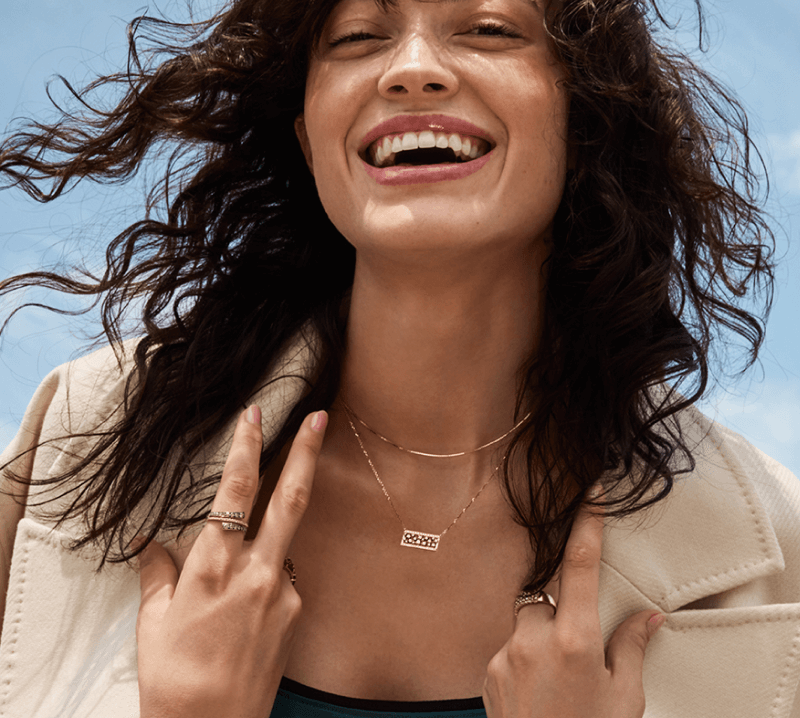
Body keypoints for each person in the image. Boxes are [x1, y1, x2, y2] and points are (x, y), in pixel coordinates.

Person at [0, 0, 798, 715]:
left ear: (585, 120)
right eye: (358, 35)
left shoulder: (772, 544)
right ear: (307, 139)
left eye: (488, 29)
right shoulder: (81, 438)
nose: (411, 69)